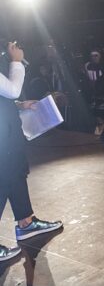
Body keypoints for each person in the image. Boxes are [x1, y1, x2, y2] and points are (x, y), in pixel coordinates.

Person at [0, 42, 62, 261]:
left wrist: (18, 105)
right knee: (4, 180)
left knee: (16, 174)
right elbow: (11, 88)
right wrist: (16, 61)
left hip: (7, 133)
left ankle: (26, 222)